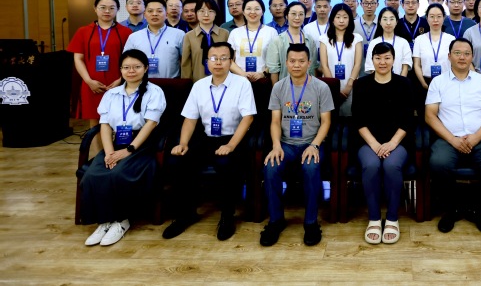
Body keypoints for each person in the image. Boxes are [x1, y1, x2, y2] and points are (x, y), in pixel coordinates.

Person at [163, 42, 256, 241]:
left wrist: (230, 145)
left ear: (231, 61)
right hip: (206, 138)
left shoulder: (242, 84)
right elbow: (190, 118)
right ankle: (185, 214)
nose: (218, 62)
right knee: (180, 160)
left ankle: (227, 216)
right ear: (207, 62)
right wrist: (183, 143)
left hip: (233, 138)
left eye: (223, 58)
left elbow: (248, 118)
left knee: (227, 163)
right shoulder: (199, 86)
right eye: (213, 58)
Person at [80, 49, 166, 246]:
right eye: (126, 67)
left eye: (136, 67)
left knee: (118, 173)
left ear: (146, 68)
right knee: (93, 174)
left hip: (142, 145)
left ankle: (121, 221)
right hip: (116, 142)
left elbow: (150, 124)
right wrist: (109, 152)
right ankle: (104, 221)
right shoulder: (112, 94)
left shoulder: (154, 92)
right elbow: (105, 125)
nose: (131, 71)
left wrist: (128, 151)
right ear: (120, 70)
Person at [425, 38, 481, 234]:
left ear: (472, 57)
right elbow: (430, 116)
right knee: (438, 164)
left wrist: (476, 138)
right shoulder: (438, 82)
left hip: (480, 138)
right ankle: (451, 209)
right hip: (448, 138)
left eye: (466, 53)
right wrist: (453, 140)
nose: (462, 57)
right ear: (449, 56)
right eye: (457, 53)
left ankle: (477, 209)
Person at [261, 44, 334, 247]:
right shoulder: (279, 87)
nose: (296, 65)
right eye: (292, 61)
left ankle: (311, 222)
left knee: (311, 167)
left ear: (309, 63)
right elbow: (275, 121)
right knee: (271, 167)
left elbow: (326, 122)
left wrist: (315, 146)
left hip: (312, 142)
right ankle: (276, 220)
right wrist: (276, 146)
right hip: (286, 144)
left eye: (301, 61)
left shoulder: (321, 87)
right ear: (286, 63)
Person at [352, 42, 413, 244]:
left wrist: (392, 143)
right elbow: (358, 120)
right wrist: (375, 144)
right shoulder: (361, 84)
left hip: (398, 141)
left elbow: (407, 120)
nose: (382, 62)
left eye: (387, 58)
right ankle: (374, 219)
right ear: (372, 60)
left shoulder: (404, 84)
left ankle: (393, 218)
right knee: (371, 165)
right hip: (368, 141)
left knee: (391, 165)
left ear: (394, 60)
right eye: (378, 58)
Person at [68, 0, 133, 128]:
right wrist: (88, 81)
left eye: (112, 8)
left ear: (118, 9)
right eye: (103, 7)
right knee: (95, 123)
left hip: (118, 83)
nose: (107, 11)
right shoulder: (83, 31)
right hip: (92, 84)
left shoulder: (126, 32)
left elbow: (131, 59)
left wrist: (121, 80)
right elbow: (78, 58)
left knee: (121, 120)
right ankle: (97, 144)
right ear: (95, 8)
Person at [123, 0, 185, 79]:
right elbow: (126, 61)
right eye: (150, 11)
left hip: (171, 83)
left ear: (166, 14)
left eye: (159, 11)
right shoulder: (134, 37)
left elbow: (185, 61)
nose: (154, 14)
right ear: (145, 14)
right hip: (142, 82)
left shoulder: (179, 34)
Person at [319, 4, 362, 116]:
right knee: (331, 118)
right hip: (329, 86)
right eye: (338, 17)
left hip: (351, 85)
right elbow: (324, 65)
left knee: (350, 118)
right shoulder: (324, 39)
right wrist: (333, 87)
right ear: (332, 19)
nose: (341, 20)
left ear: (350, 20)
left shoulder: (356, 38)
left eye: (345, 17)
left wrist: (349, 86)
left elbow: (357, 64)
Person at [227, 0, 278, 82]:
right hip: (239, 80)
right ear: (243, 12)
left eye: (257, 9)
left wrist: (262, 73)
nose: (253, 12)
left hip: (263, 80)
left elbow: (276, 60)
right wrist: (243, 74)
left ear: (262, 12)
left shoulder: (271, 32)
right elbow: (229, 60)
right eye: (249, 9)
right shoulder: (235, 33)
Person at [266, 1, 318, 84]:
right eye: (293, 14)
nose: (297, 17)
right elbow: (274, 70)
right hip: (285, 87)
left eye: (301, 14)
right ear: (286, 16)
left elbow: (313, 66)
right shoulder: (277, 41)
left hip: (308, 86)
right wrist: (276, 90)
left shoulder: (310, 39)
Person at [181, 0, 229, 82]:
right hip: (197, 81)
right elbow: (186, 64)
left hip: (223, 80)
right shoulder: (189, 36)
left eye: (210, 11)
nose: (206, 15)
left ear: (215, 13)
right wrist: (186, 84)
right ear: (196, 13)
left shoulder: (225, 34)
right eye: (202, 11)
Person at [413, 3, 456, 90]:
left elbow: (454, 63)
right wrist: (423, 83)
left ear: (444, 17)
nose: (435, 20)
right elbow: (416, 64)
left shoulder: (451, 39)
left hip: (447, 82)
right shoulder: (419, 39)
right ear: (427, 18)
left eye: (439, 16)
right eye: (432, 16)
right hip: (425, 81)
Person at [365, 7, 412, 76]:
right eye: (385, 19)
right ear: (380, 22)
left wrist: (400, 81)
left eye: (392, 19)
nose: (388, 23)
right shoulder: (374, 43)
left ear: (396, 22)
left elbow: (405, 67)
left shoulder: (403, 42)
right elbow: (371, 67)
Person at [353, 0, 379, 75]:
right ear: (361, 4)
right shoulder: (353, 25)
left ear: (377, 5)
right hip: (358, 71)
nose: (369, 6)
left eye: (372, 3)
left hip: (378, 69)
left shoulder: (383, 24)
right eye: (366, 3)